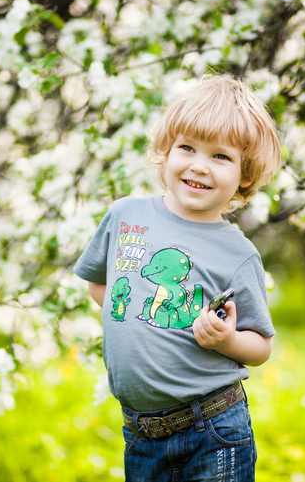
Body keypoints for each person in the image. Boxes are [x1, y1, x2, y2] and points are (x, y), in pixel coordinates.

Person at [73, 74, 281, 481]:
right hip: (142, 434)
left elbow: (261, 346)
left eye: (220, 157)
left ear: (244, 175)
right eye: (187, 148)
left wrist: (228, 340)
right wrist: (130, 315)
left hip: (213, 428)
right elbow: (99, 282)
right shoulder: (125, 215)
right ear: (165, 153)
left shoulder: (237, 253)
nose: (199, 166)